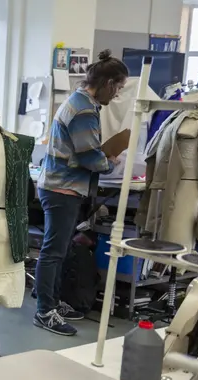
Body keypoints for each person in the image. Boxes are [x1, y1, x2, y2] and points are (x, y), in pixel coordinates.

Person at [34, 49, 128, 336]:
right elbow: (89, 157)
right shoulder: (85, 109)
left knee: (59, 250)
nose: (117, 95)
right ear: (109, 83)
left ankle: (52, 302)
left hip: (61, 187)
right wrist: (110, 161)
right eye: (119, 88)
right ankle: (44, 311)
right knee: (53, 251)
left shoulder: (79, 101)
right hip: (62, 189)